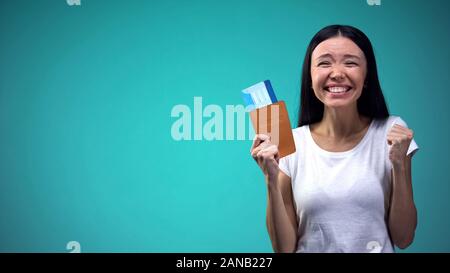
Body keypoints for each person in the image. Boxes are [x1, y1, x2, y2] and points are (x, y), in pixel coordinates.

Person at [250, 25, 419, 253]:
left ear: (367, 76)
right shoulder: (290, 144)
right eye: (324, 63)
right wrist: (270, 179)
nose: (337, 73)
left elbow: (404, 237)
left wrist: (399, 165)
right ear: (310, 77)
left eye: (350, 63)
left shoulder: (391, 132)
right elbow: (284, 250)